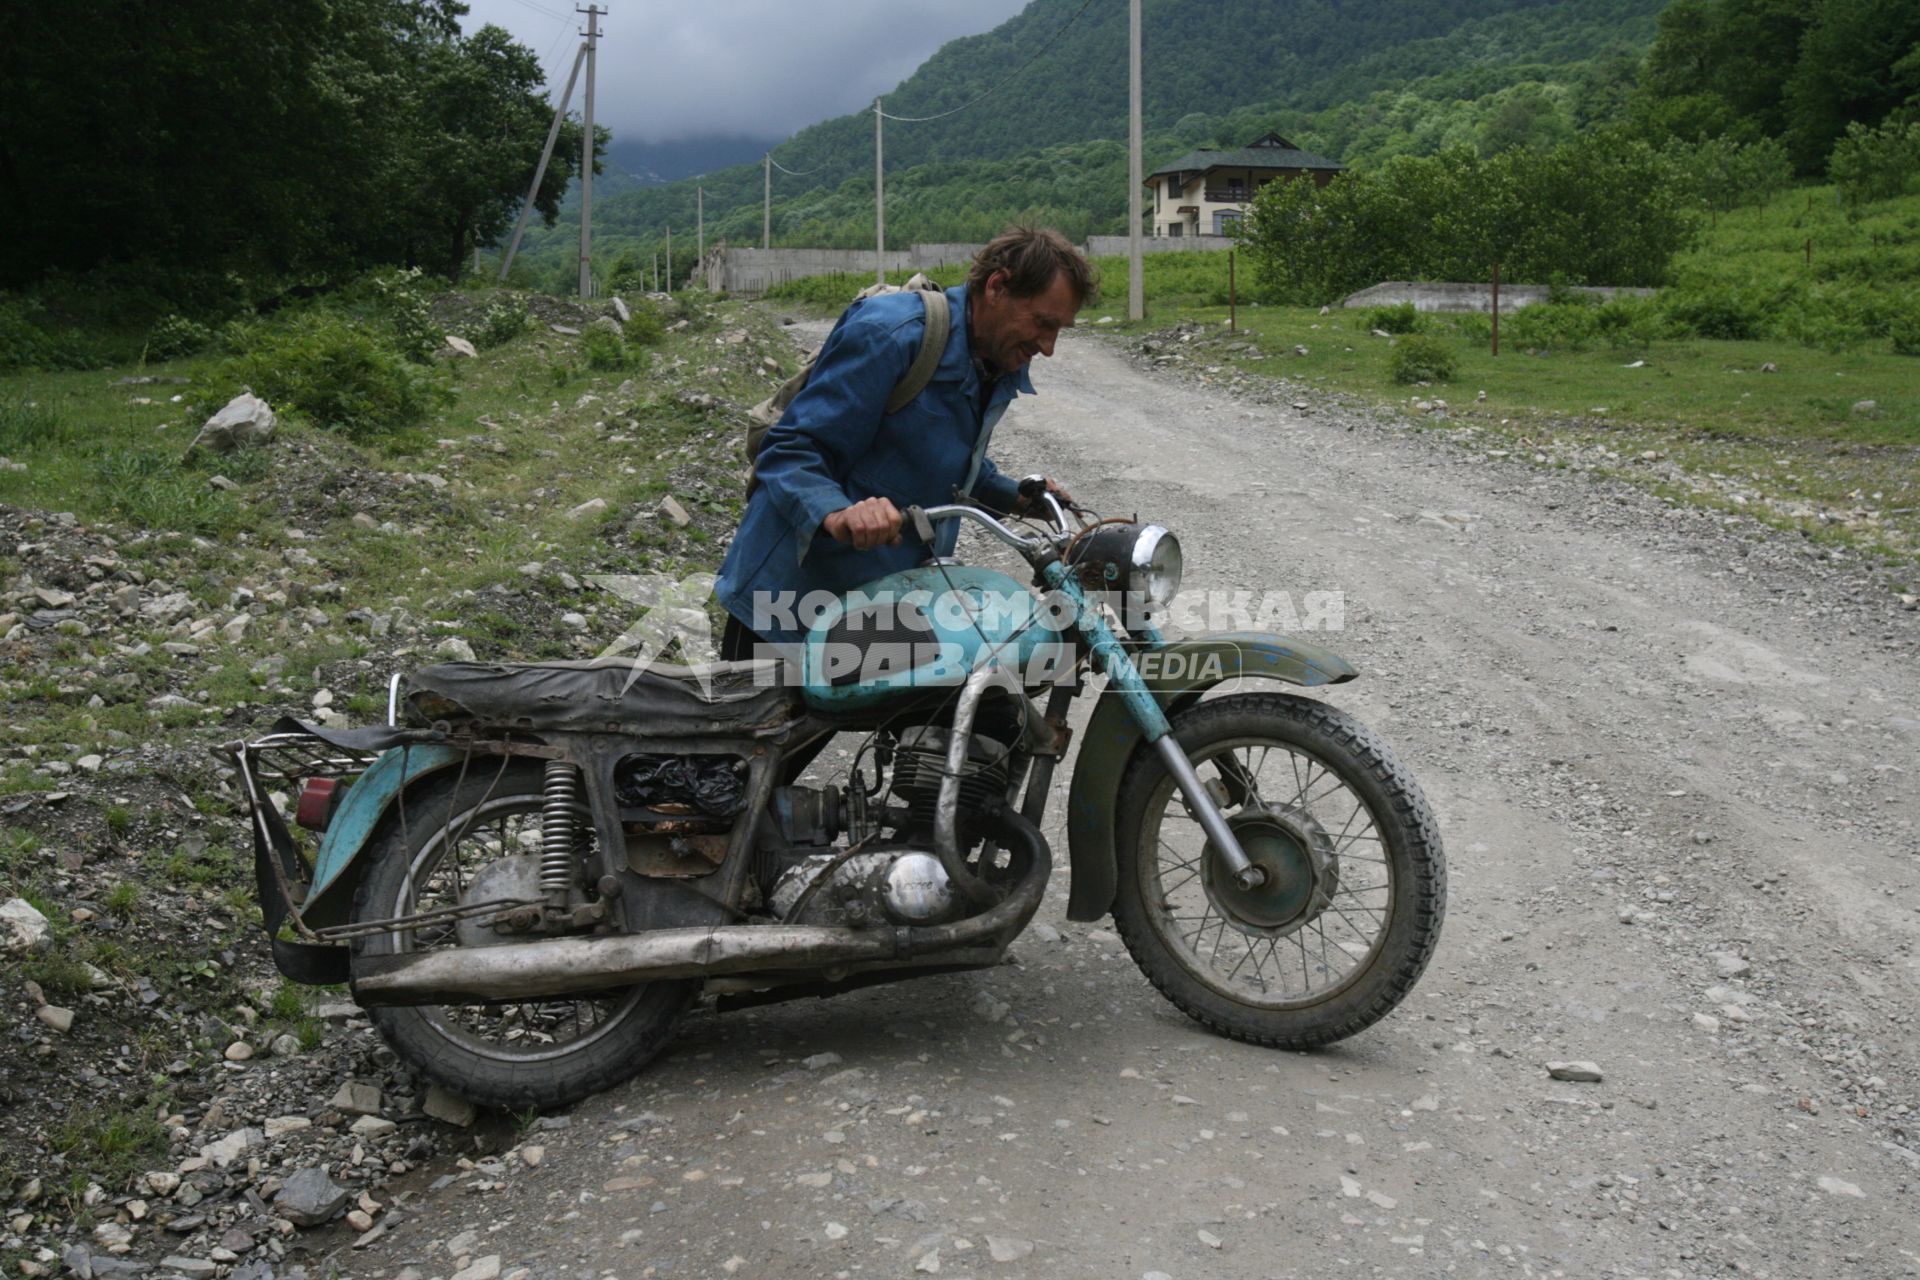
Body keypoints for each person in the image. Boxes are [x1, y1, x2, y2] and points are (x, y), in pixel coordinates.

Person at [714, 226, 1095, 658]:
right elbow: (789, 450)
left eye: (1060, 329)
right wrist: (838, 512)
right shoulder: (891, 335)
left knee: (981, 713)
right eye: (1043, 323)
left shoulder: (995, 361)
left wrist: (1017, 497)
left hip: (887, 599)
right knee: (764, 725)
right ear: (996, 287)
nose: (1048, 347)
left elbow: (942, 461)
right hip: (790, 597)